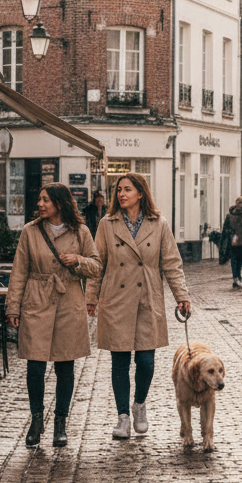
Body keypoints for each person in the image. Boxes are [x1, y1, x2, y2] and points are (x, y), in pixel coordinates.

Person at [86, 173, 191, 440]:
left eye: (127, 190)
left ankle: (139, 404)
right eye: (119, 190)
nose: (121, 194)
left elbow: (171, 262)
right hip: (116, 299)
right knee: (119, 361)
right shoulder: (107, 224)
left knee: (146, 361)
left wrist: (182, 295)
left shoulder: (159, 223)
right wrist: (91, 297)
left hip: (147, 298)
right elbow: (98, 264)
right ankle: (123, 416)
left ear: (141, 193)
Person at [6, 183, 102, 448]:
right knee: (35, 366)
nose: (40, 204)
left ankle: (61, 422)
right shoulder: (30, 231)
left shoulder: (81, 231)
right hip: (36, 301)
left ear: (59, 203)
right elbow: (19, 271)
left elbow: (96, 266)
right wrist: (13, 307)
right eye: (39, 199)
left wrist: (78, 261)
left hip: (68, 301)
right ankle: (37, 420)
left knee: (64, 366)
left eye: (45, 200)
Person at [222, 196, 242, 286]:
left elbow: (226, 229)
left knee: (235, 260)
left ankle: (236, 278)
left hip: (234, 242)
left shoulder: (230, 215)